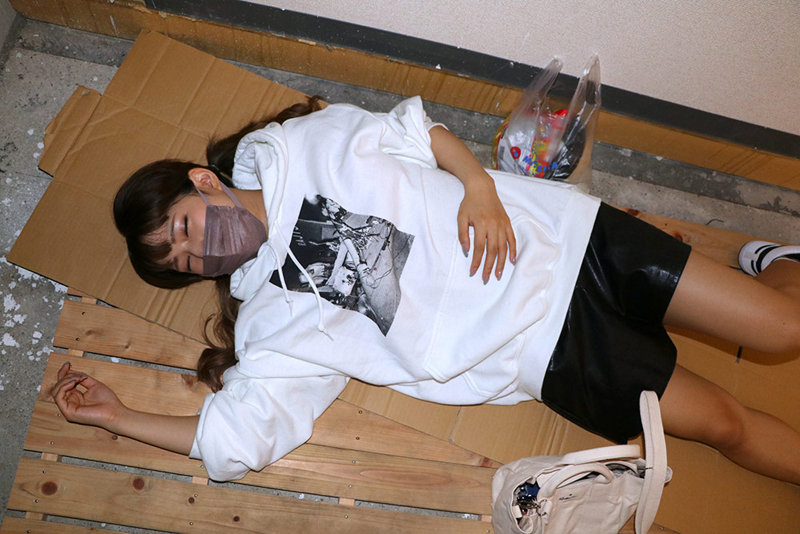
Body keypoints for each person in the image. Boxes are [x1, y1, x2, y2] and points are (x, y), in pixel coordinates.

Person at [50, 96, 800, 486]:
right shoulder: (272, 325)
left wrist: (478, 185)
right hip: (547, 351)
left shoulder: (296, 148)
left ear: (204, 182)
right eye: (183, 263)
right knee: (725, 424)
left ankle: (776, 264)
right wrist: (117, 417)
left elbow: (414, 130)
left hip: (568, 240)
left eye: (184, 227)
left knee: (783, 329)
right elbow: (236, 438)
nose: (199, 250)